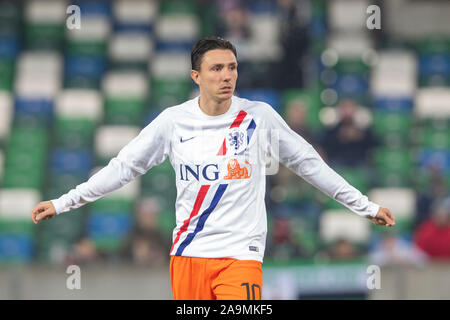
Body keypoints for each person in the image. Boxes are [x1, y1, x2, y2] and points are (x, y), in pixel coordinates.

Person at [31, 36, 395, 300]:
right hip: (188, 254)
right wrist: (64, 202)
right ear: (196, 76)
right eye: (217, 68)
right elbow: (123, 167)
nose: (227, 75)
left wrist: (365, 206)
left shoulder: (258, 117)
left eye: (232, 67)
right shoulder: (173, 122)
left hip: (240, 255)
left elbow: (310, 164)